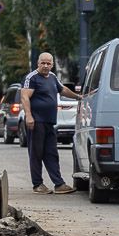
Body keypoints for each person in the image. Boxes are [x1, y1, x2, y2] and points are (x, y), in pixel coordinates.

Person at [21, 52, 81, 194]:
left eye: (49, 63)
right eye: (43, 63)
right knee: (36, 153)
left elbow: (63, 90)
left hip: (49, 122)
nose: (46, 66)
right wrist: (29, 116)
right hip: (36, 122)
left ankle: (59, 184)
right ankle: (38, 184)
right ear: (38, 63)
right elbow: (24, 97)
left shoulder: (53, 77)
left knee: (51, 153)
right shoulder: (32, 78)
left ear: (52, 64)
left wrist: (78, 97)